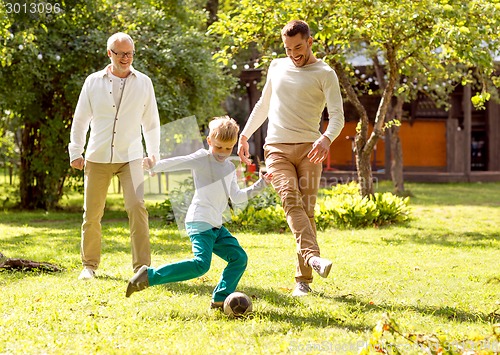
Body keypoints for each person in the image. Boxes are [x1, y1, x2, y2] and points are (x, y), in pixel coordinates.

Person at [237, 20, 345, 297]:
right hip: (276, 149)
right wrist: (245, 134)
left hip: (310, 150)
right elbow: (263, 104)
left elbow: (338, 117)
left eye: (298, 47)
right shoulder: (277, 66)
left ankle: (303, 281)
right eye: (288, 48)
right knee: (291, 201)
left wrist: (325, 139)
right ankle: (313, 258)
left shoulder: (325, 73)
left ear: (310, 42)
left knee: (306, 212)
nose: (293, 53)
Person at [126, 116, 272, 309]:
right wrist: (153, 166)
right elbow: (178, 162)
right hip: (199, 221)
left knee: (239, 258)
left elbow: (236, 197)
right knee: (201, 265)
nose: (222, 153)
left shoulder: (229, 167)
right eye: (218, 147)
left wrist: (262, 183)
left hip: (216, 226)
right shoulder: (203, 158)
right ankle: (149, 276)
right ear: (210, 141)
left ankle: (220, 298)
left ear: (234, 145)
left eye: (228, 149)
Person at [68, 32, 161, 280]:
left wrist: (153, 154)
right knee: (92, 213)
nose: (126, 58)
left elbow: (151, 122)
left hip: (131, 156)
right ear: (109, 53)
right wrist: (76, 151)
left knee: (137, 207)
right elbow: (80, 119)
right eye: (120, 53)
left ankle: (142, 267)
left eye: (129, 53)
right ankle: (89, 266)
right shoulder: (93, 82)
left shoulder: (144, 82)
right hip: (98, 156)